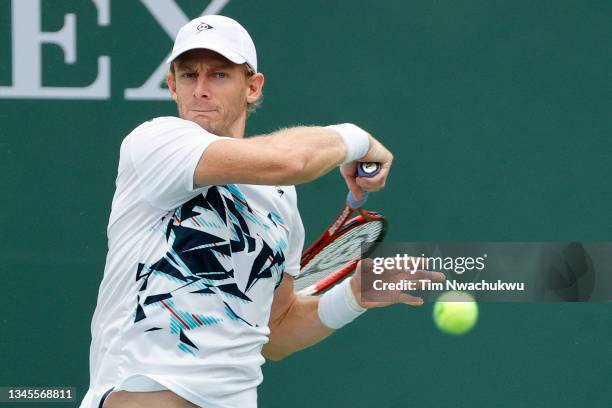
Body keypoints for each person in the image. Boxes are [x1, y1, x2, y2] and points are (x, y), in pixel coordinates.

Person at [80, 15, 443, 408]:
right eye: (188, 75)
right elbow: (292, 160)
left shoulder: (279, 198)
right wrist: (359, 138)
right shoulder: (154, 142)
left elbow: (278, 330)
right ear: (172, 85)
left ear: (252, 87)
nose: (200, 89)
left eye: (218, 75)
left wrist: (353, 296)